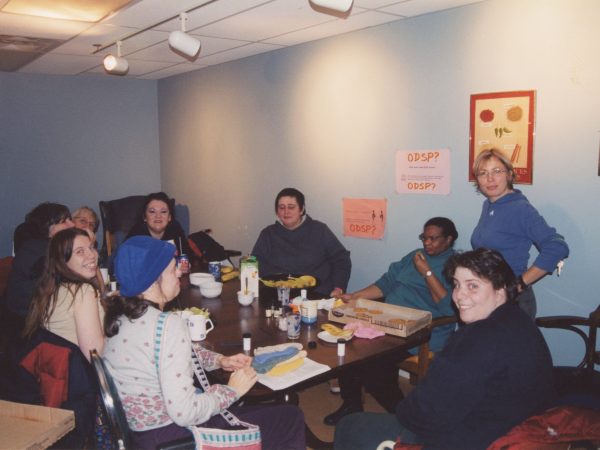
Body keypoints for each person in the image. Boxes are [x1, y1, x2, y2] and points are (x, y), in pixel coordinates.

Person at [334, 248, 556, 450]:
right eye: (457, 285)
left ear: (499, 290)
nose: (460, 295)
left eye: (473, 285)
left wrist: (403, 412)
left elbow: (425, 413)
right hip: (514, 424)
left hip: (470, 439)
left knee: (351, 425)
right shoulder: (519, 320)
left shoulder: (475, 340)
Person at [103, 236, 305, 450]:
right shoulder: (168, 324)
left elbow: (167, 355)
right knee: (289, 417)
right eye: (173, 270)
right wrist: (231, 391)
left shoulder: (120, 318)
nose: (180, 273)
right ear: (153, 280)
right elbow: (185, 413)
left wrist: (220, 360)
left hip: (143, 437)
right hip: (178, 439)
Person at [323, 217, 458, 426]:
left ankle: (403, 416)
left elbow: (449, 307)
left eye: (433, 239)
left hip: (422, 330)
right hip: (389, 322)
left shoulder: (455, 265)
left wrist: (427, 272)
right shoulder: (415, 256)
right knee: (347, 347)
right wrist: (356, 296)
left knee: (374, 366)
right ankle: (351, 406)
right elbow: (386, 283)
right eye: (424, 238)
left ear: (449, 240)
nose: (427, 243)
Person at [471, 148, 569, 318]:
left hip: (513, 302)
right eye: (483, 173)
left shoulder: (520, 208)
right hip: (489, 296)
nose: (490, 178)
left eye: (497, 171)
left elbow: (557, 247)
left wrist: (519, 284)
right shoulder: (489, 205)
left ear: (509, 174)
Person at [23, 228, 105, 361]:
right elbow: (94, 354)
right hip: (87, 377)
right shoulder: (82, 292)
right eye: (80, 252)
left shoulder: (51, 290)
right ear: (63, 260)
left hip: (64, 374)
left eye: (91, 248)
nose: (92, 255)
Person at [252, 188, 351, 297]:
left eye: (291, 207)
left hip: (316, 296)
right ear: (277, 211)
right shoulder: (268, 234)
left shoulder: (319, 230)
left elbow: (341, 259)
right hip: (277, 294)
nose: (286, 212)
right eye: (281, 207)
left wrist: (338, 288)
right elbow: (255, 263)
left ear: (301, 209)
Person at [4, 202, 74, 318]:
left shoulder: (51, 247)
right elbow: (54, 282)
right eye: (64, 221)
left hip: (46, 311)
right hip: (25, 319)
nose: (72, 225)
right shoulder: (34, 250)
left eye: (70, 219)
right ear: (48, 227)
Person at [126, 191, 192, 257]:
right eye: (152, 211)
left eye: (163, 211)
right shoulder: (136, 235)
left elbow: (188, 255)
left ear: (169, 217)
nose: (158, 216)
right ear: (145, 217)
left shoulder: (175, 228)